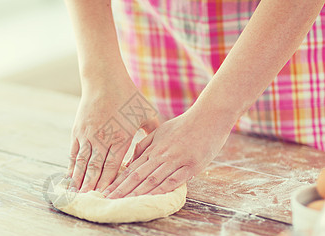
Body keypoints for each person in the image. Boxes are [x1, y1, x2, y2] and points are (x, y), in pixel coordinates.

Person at [64, 0, 325, 199]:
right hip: (159, 30)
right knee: (160, 164)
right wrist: (100, 75)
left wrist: (215, 113)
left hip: (279, 38)